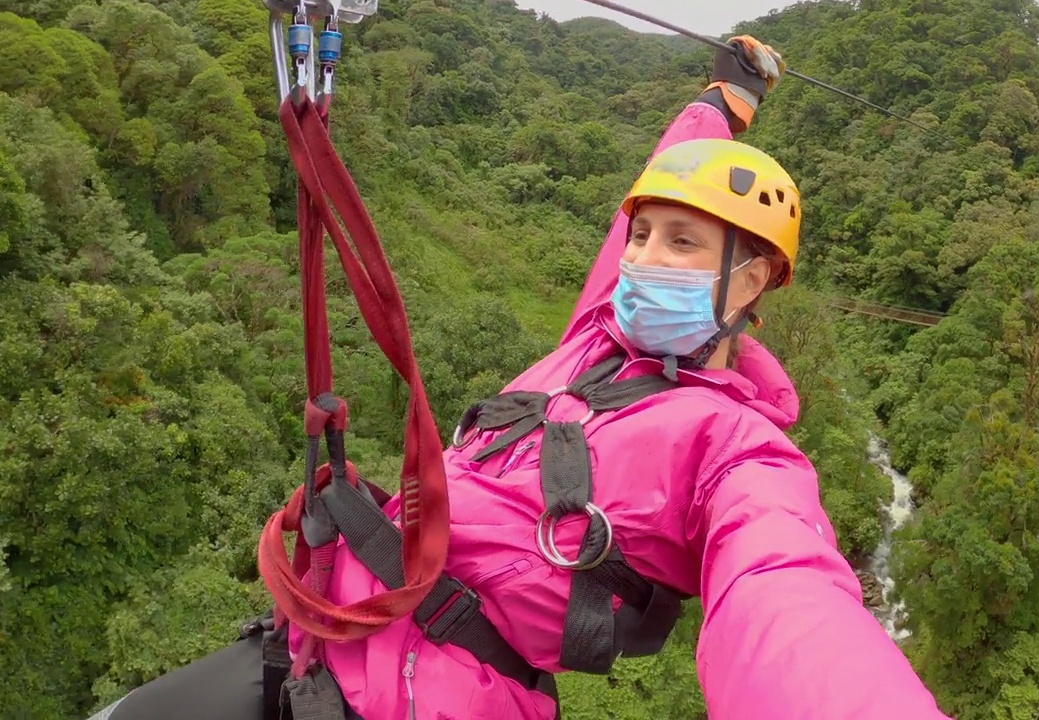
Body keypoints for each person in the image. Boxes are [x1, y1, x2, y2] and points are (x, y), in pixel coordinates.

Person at [90, 35, 951, 720]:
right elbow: (657, 192)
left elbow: (786, 602)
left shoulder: (737, 451)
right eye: (641, 236)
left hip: (437, 697)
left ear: (753, 280)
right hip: (322, 628)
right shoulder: (597, 336)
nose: (644, 259)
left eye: (680, 245)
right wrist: (721, 102)